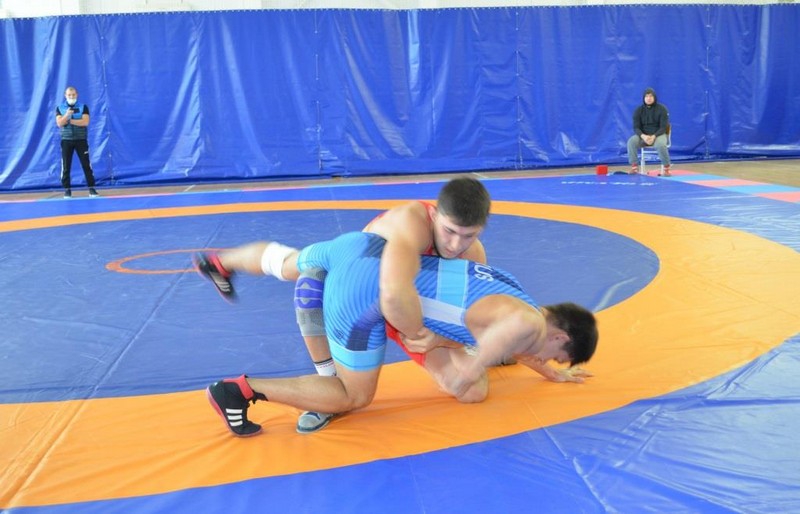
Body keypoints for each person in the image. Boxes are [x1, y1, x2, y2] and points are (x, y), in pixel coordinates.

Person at [195, 178, 587, 433]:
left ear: (480, 229)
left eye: (467, 236)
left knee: (286, 263)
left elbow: (492, 318)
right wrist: (430, 339)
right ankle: (291, 389)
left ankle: (220, 263)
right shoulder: (410, 224)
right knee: (353, 393)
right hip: (367, 295)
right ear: (435, 213)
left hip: (363, 267)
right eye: (450, 232)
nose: (455, 245)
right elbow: (393, 295)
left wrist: (539, 364)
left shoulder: (473, 252)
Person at [55, 86, 99, 198]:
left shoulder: (83, 107)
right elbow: (59, 123)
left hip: (81, 140)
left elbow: (85, 122)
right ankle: (67, 190)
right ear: (65, 96)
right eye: (69, 95)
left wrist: (69, 120)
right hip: (66, 140)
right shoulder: (60, 108)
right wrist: (66, 115)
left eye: (73, 95)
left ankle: (91, 189)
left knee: (86, 164)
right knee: (66, 166)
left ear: (77, 95)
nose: (71, 97)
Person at [626, 87, 671, 177]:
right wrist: (643, 136)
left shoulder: (662, 109)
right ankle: (634, 167)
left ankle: (666, 169)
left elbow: (663, 127)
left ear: (654, 97)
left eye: (651, 96)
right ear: (644, 98)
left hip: (658, 134)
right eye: (646, 96)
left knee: (661, 144)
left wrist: (654, 136)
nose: (648, 98)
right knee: (631, 142)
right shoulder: (638, 110)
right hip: (643, 136)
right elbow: (636, 128)